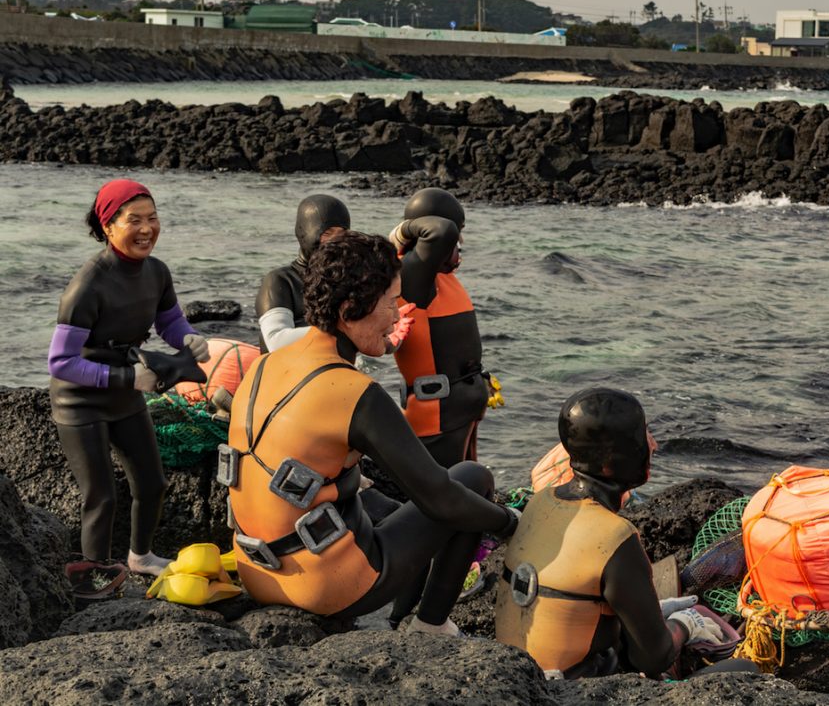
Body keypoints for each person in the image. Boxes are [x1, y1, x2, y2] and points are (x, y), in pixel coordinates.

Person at [224, 231, 517, 631]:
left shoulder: (261, 366)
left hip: (256, 574)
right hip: (326, 590)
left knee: (378, 502)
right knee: (471, 479)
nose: (399, 316)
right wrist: (510, 523)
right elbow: (442, 500)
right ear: (349, 310)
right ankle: (430, 624)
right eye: (392, 302)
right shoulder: (356, 393)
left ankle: (400, 617)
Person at [495, 388, 751, 679]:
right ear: (610, 461)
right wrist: (684, 624)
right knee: (746, 670)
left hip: (516, 674)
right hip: (567, 691)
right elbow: (653, 659)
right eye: (642, 438)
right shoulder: (615, 537)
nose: (653, 445)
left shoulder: (541, 501)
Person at [48, 179, 210, 587]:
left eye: (152, 218)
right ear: (109, 226)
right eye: (133, 220)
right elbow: (61, 362)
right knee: (100, 497)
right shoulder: (88, 285)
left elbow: (168, 319)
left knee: (152, 483)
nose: (146, 228)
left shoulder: (156, 272)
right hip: (79, 402)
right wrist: (127, 377)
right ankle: (92, 578)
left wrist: (187, 337)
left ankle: (140, 557)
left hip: (126, 392)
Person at [389, 188, 491, 468]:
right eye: (459, 235)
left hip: (459, 411)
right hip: (436, 417)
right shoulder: (411, 272)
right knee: (449, 493)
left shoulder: (440, 277)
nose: (460, 242)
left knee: (469, 485)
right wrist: (403, 230)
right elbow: (441, 230)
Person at [255, 194, 351, 354]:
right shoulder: (280, 281)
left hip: (335, 373)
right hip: (288, 374)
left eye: (342, 234)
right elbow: (276, 340)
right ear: (305, 233)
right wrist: (344, 328)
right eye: (327, 233)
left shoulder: (345, 279)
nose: (336, 241)